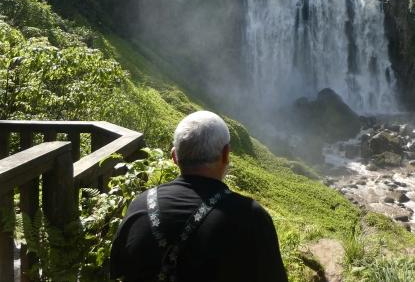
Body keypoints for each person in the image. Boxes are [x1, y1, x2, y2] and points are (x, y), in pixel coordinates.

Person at [110, 111, 288, 282]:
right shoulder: (251, 216)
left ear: (174, 157)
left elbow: (119, 270)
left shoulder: (139, 205)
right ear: (226, 154)